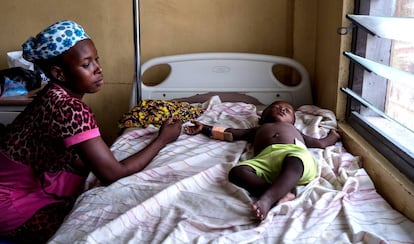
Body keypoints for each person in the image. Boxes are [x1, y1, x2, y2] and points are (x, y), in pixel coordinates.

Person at [0, 20, 182, 243]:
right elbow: (113, 174)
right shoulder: (70, 109)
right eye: (86, 65)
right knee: (105, 226)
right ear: (60, 73)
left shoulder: (50, 94)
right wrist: (162, 139)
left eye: (97, 59)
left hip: (19, 184)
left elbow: (71, 152)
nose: (98, 69)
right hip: (9, 204)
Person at [184, 100, 340, 221]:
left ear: (293, 121)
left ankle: (268, 198)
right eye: (277, 106)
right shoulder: (258, 130)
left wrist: (334, 135)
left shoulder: (294, 130)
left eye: (288, 110)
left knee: (295, 161)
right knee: (236, 172)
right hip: (265, 161)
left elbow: (320, 144)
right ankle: (278, 192)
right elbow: (231, 133)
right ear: (263, 116)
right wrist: (204, 128)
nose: (282, 109)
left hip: (293, 154)